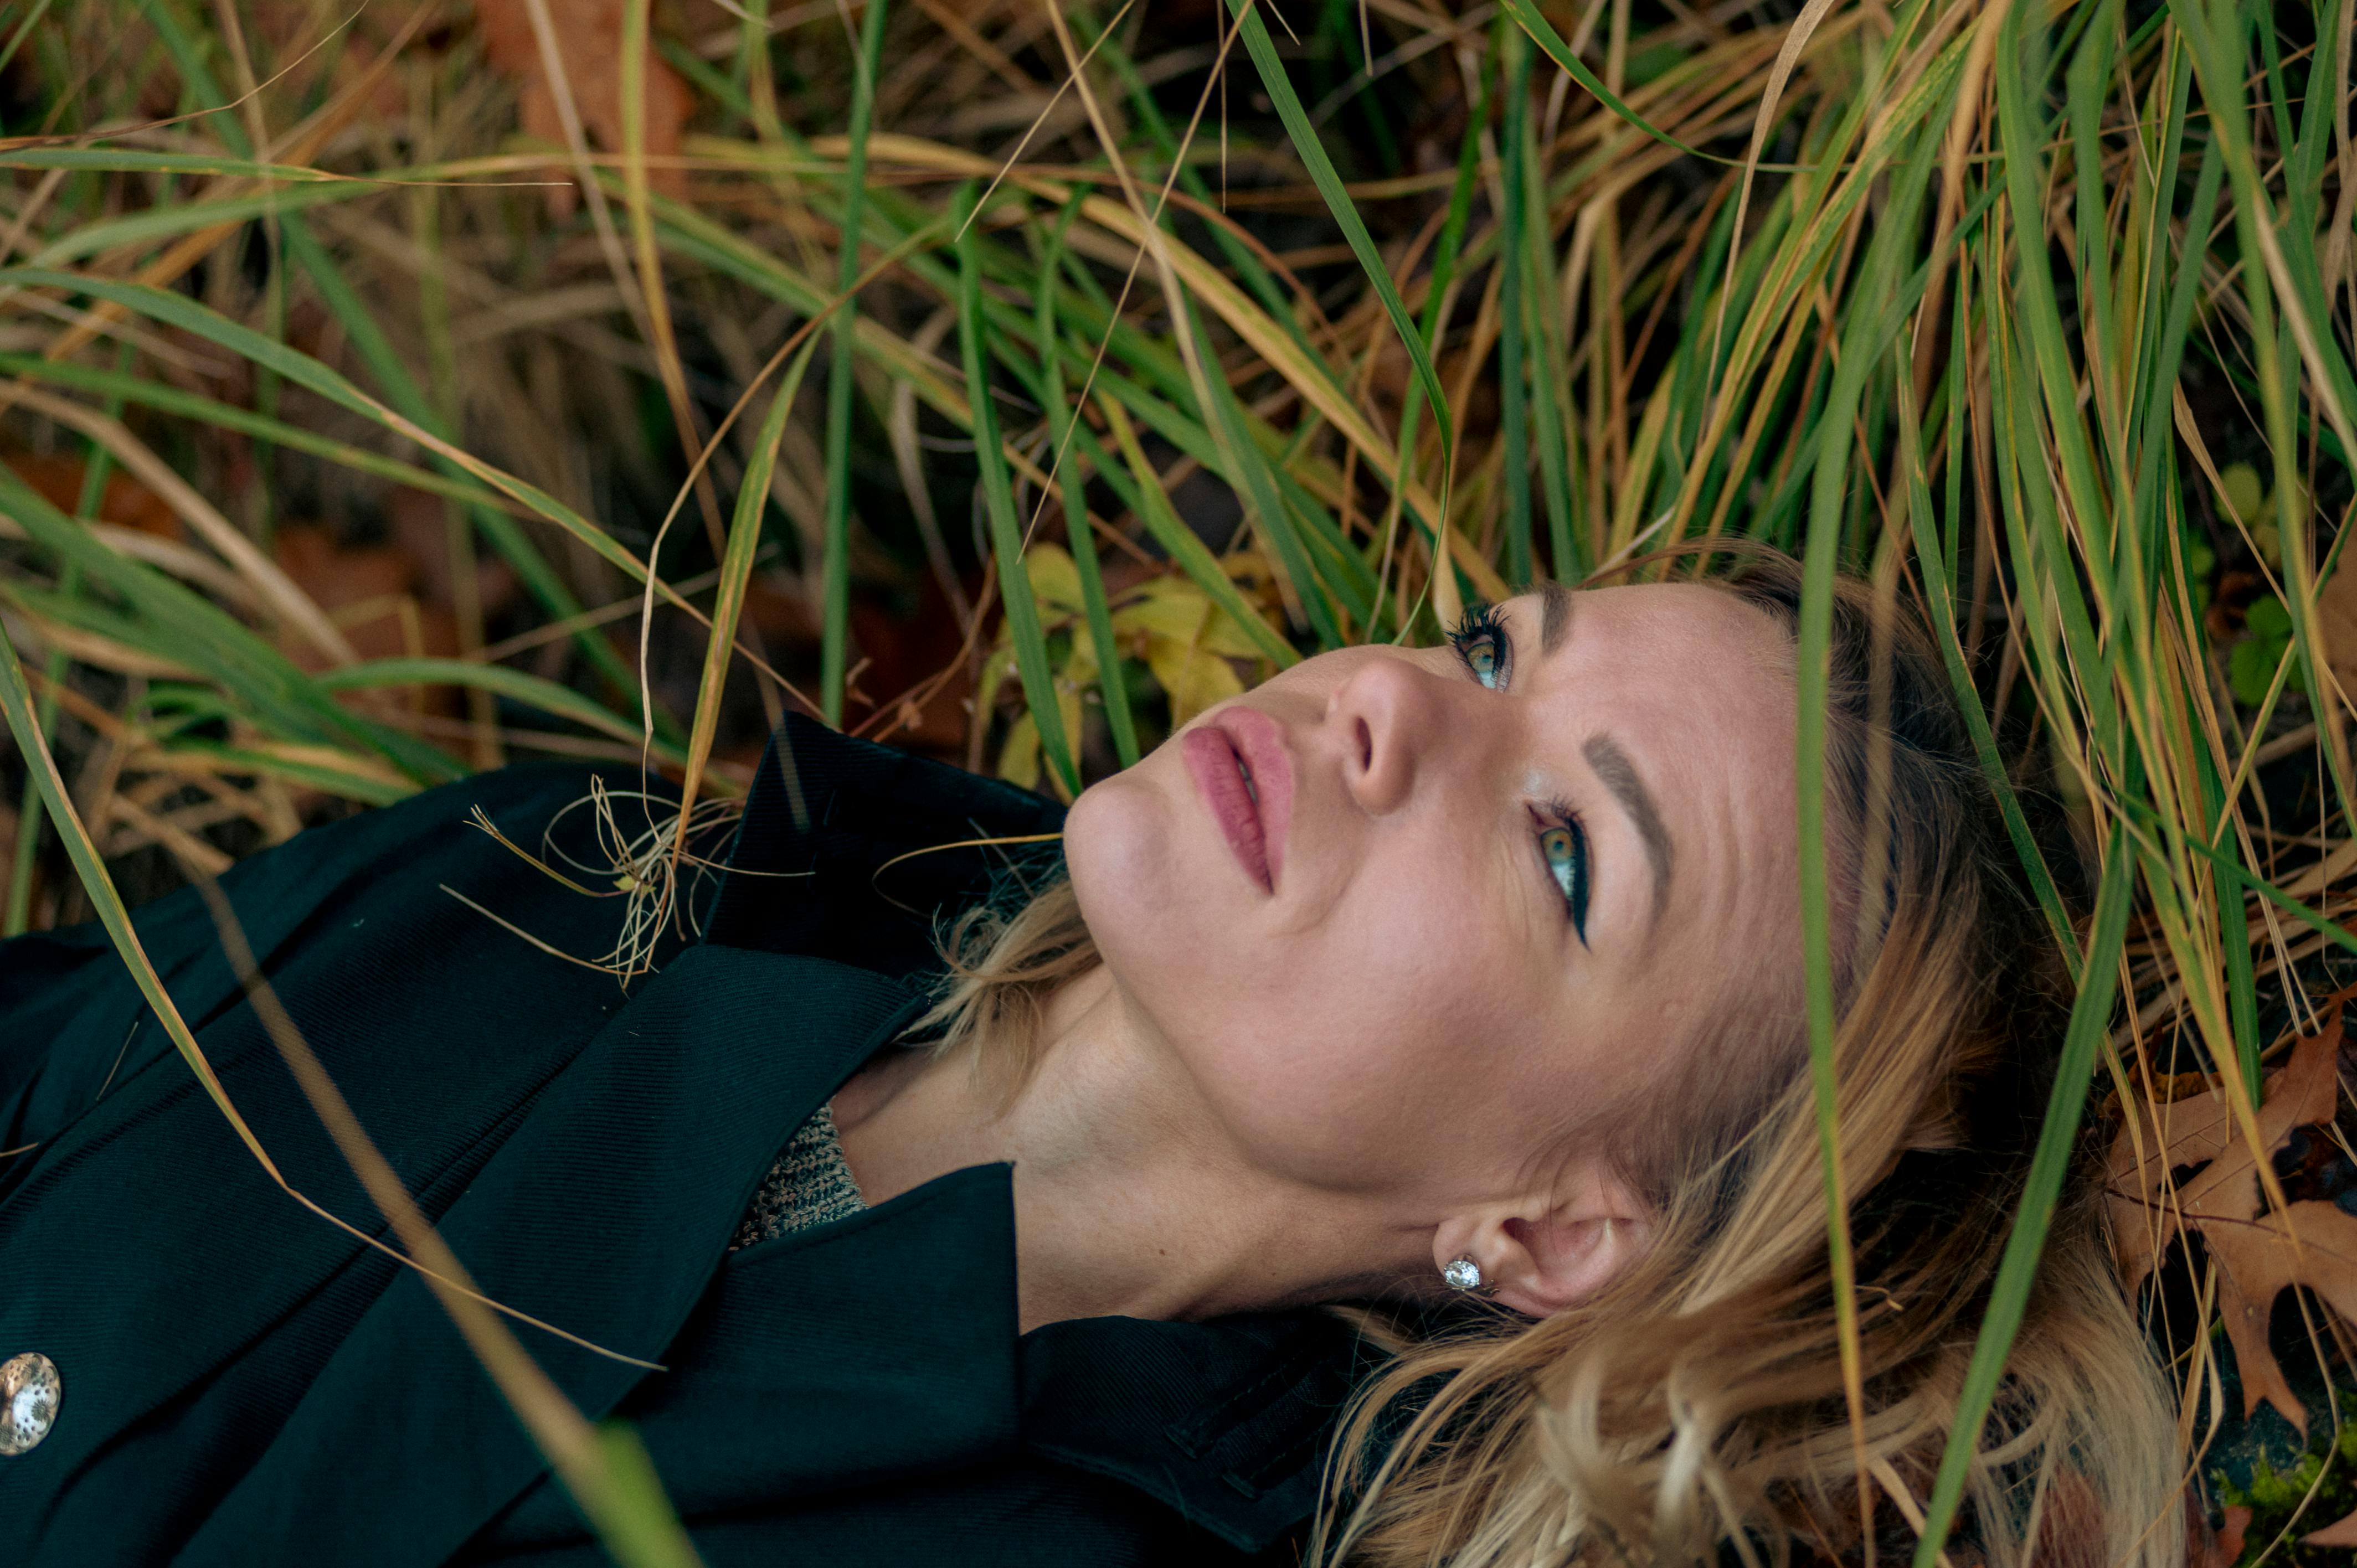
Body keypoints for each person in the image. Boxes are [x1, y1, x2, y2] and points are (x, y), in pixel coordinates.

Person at [0, 550, 2178, 1567]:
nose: (1392, 704)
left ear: (1553, 1226)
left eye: (1558, 850)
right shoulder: (605, 861)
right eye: (1497, 647)